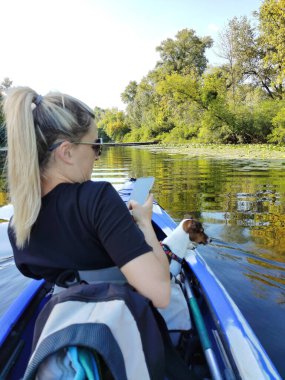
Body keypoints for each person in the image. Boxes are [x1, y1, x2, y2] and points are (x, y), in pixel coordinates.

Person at [4, 86, 171, 309]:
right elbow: (160, 295)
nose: (97, 156)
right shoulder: (98, 199)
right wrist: (144, 222)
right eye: (95, 145)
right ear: (67, 152)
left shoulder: (18, 226)